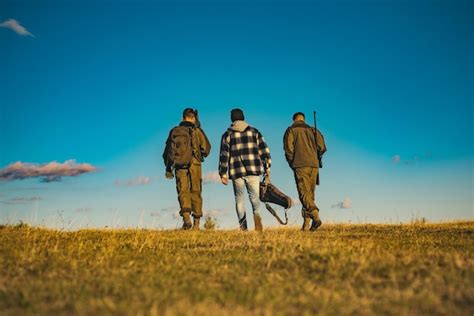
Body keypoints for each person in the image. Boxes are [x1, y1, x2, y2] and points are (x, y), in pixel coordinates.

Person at [218, 108, 272, 232]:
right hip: (253, 169)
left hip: (236, 172)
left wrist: (223, 173)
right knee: (254, 197)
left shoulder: (227, 134)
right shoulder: (254, 132)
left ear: (232, 119)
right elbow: (264, 150)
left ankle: (243, 227)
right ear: (243, 117)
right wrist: (267, 167)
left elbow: (224, 155)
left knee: (239, 199)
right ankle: (257, 220)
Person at [163, 108, 211, 230]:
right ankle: (196, 224)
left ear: (182, 118)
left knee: (182, 190)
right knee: (196, 191)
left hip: (179, 164)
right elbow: (207, 149)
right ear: (193, 118)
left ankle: (186, 219)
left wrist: (168, 168)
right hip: (195, 164)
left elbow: (167, 152)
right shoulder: (197, 131)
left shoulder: (175, 131)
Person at [283, 112, 326, 231]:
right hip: (314, 165)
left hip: (300, 164)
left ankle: (315, 216)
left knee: (303, 193)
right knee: (309, 195)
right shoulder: (313, 130)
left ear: (294, 119)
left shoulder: (291, 130)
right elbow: (322, 147)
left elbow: (288, 149)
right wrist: (316, 155)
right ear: (303, 119)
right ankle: (306, 225)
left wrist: (292, 162)